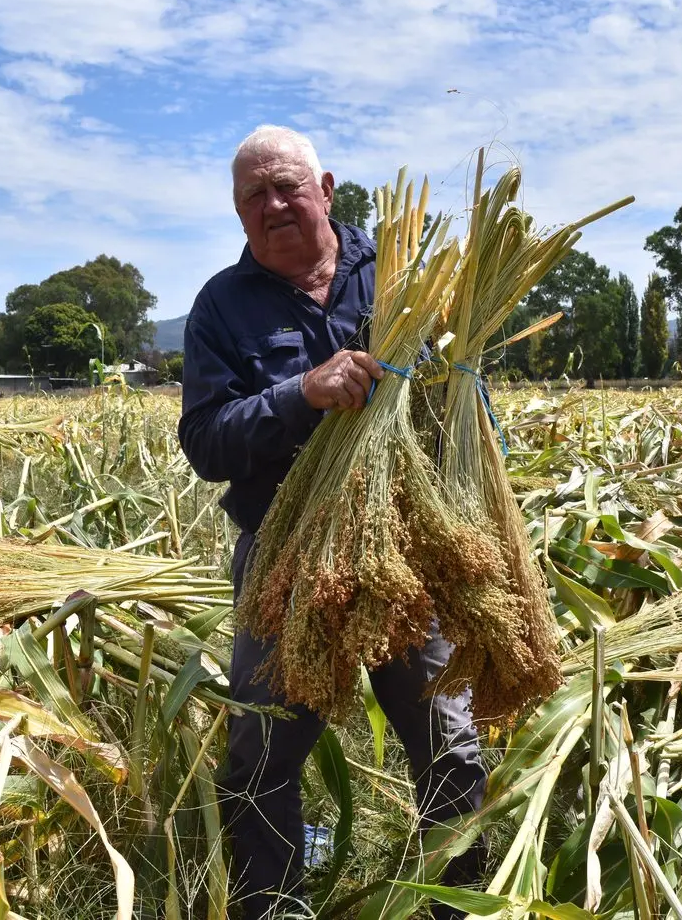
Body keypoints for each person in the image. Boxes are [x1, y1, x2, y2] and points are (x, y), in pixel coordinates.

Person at [177, 125, 486, 920]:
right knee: (261, 750)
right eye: (253, 196)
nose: (272, 205)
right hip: (286, 554)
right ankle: (273, 907)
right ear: (238, 213)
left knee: (447, 742)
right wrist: (298, 394)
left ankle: (452, 906)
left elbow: (462, 395)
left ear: (327, 188)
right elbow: (207, 441)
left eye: (286, 186)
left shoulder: (402, 275)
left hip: (403, 551)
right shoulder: (221, 305)